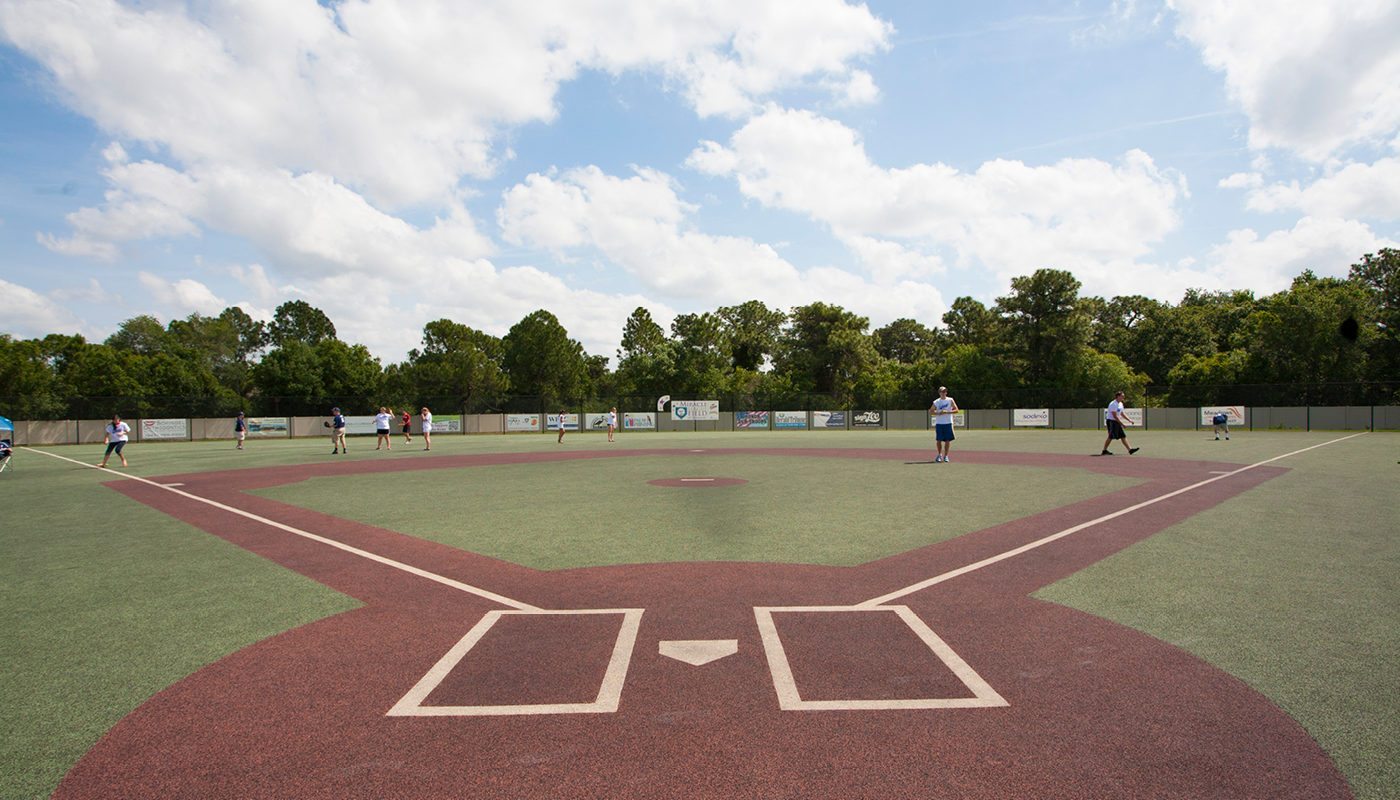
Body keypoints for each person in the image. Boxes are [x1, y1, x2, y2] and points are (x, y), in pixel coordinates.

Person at [1101, 391, 1139, 455]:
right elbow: (1115, 416)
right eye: (1122, 396)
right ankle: (1104, 450)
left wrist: (1129, 420)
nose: (1123, 397)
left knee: (1122, 436)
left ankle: (1130, 450)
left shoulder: (1120, 404)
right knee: (1110, 437)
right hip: (1111, 421)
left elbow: (1121, 413)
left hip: (1116, 421)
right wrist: (1122, 424)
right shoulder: (1113, 404)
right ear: (1118, 396)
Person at [929, 386, 959, 463]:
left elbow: (956, 410)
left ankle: (946, 456)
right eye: (942, 392)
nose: (944, 393)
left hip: (948, 422)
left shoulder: (950, 400)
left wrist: (948, 412)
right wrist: (939, 412)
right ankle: (939, 455)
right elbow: (931, 411)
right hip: (939, 423)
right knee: (939, 440)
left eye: (945, 391)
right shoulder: (936, 402)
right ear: (939, 393)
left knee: (947, 440)